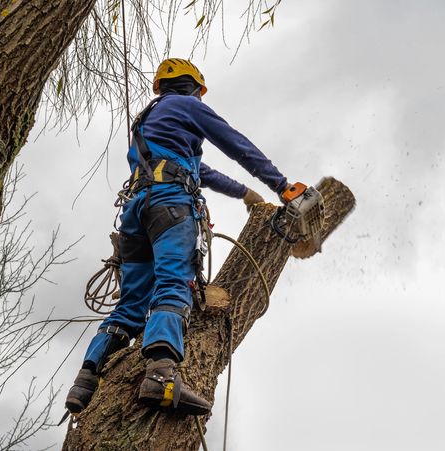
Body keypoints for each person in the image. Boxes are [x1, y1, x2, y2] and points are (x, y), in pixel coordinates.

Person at [65, 58, 290, 416]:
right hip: (171, 206)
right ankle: (161, 376)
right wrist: (281, 186)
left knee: (132, 302)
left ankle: (85, 380)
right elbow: (235, 143)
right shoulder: (187, 107)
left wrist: (244, 192)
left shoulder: (151, 123)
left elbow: (201, 171)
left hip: (136, 213)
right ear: (195, 89)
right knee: (173, 283)